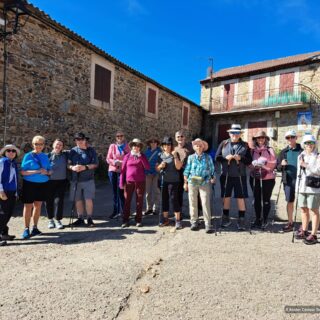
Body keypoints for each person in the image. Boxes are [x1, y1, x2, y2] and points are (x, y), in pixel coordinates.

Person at [215, 124, 252, 230]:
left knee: (240, 197)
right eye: (232, 132)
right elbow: (217, 157)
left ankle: (241, 219)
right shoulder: (224, 143)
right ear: (229, 133)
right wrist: (226, 158)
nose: (234, 134)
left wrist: (240, 158)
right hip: (226, 175)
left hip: (240, 175)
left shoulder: (245, 145)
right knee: (226, 196)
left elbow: (249, 160)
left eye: (237, 133)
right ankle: (226, 217)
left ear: (240, 134)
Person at [21, 136, 52, 239]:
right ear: (33, 144)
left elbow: (50, 170)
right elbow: (23, 172)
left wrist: (47, 172)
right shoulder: (28, 156)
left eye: (41, 144)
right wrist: (38, 171)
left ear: (44, 145)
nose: (38, 146)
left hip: (43, 184)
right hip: (29, 184)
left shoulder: (45, 156)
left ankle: (35, 228)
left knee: (38, 205)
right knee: (28, 206)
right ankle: (26, 229)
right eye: (36, 144)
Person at [183, 138, 215, 233]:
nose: (199, 147)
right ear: (194, 147)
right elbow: (187, 170)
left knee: (205, 202)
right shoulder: (191, 157)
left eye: (201, 145)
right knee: (193, 202)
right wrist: (185, 183)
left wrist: (213, 177)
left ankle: (208, 223)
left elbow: (212, 168)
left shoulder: (208, 157)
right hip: (192, 181)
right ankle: (194, 221)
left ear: (203, 147)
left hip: (204, 181)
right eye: (197, 145)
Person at [68, 132, 98, 227]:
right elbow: (68, 164)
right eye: (77, 140)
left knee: (88, 199)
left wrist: (84, 167)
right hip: (75, 179)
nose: (79, 141)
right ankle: (80, 218)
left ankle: (89, 218)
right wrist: (72, 167)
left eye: (81, 139)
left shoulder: (91, 151)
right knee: (78, 200)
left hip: (88, 179)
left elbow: (95, 164)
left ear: (85, 140)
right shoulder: (72, 151)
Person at [294, 134, 320, 245]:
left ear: (314, 144)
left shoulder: (318, 156)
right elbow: (298, 173)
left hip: (313, 188)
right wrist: (297, 188)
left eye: (311, 143)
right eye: (306, 143)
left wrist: (307, 165)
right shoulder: (300, 156)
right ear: (304, 145)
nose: (309, 145)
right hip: (301, 187)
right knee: (303, 209)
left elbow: (318, 171)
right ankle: (304, 230)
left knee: (314, 211)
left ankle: (313, 234)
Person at [119, 139, 150, 228]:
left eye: (138, 145)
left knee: (139, 201)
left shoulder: (142, 156)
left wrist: (140, 157)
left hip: (140, 182)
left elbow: (147, 167)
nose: (136, 147)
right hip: (129, 182)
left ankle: (138, 220)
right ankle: (125, 220)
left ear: (140, 147)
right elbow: (123, 170)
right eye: (134, 145)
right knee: (127, 201)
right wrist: (121, 182)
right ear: (131, 146)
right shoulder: (127, 156)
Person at [249, 131, 277, 229]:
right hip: (255, 178)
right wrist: (253, 167)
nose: (260, 139)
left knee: (266, 200)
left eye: (262, 137)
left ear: (265, 139)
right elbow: (249, 164)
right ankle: (257, 219)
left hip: (268, 179)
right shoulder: (252, 151)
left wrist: (263, 166)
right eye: (258, 138)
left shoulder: (270, 150)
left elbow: (273, 163)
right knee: (256, 199)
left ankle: (265, 219)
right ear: (255, 140)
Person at [277, 130, 302, 232]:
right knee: (290, 201)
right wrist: (281, 164)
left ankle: (303, 225)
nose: (290, 139)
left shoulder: (302, 151)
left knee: (302, 203)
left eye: (292, 137)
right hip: (288, 180)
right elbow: (277, 168)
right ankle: (290, 222)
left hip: (301, 180)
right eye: (288, 137)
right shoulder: (283, 152)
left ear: (296, 138)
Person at [156, 136, 183, 229]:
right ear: (162, 146)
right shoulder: (160, 155)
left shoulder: (175, 154)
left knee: (174, 199)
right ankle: (165, 219)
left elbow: (179, 167)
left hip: (174, 181)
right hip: (163, 180)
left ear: (171, 145)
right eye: (165, 144)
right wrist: (160, 166)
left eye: (169, 144)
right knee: (164, 200)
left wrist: (175, 155)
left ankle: (178, 220)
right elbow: (157, 168)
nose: (167, 146)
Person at [106, 130, 130, 219]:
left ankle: (124, 211)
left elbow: (129, 158)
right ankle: (115, 211)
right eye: (118, 136)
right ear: (116, 138)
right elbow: (108, 158)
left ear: (124, 137)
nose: (119, 137)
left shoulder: (127, 147)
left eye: (121, 136)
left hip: (123, 172)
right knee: (114, 192)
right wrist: (115, 162)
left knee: (121, 191)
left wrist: (122, 162)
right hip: (113, 171)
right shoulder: (112, 146)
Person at [45, 139, 68, 229]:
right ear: (53, 145)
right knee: (48, 201)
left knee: (59, 201)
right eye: (57, 144)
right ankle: (50, 219)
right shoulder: (48, 156)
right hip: (49, 181)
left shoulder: (65, 155)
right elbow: (43, 168)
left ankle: (58, 220)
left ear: (62, 147)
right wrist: (47, 172)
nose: (58, 146)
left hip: (61, 181)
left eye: (60, 145)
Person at [0, 144, 20, 246]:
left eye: (13, 151)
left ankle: (4, 233)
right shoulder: (2, 162)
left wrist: (16, 192)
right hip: (4, 192)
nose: (11, 152)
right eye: (8, 151)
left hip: (12, 192)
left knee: (8, 213)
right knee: (2, 214)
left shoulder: (13, 163)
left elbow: (15, 179)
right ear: (5, 152)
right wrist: (1, 191)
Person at [174, 130, 194, 215]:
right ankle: (180, 211)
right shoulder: (174, 149)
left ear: (184, 137)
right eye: (178, 137)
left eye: (181, 136)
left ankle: (195, 212)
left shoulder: (190, 147)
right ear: (176, 138)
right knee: (178, 193)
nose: (180, 138)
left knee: (193, 193)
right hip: (178, 172)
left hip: (190, 172)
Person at [144, 138, 161, 215]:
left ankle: (156, 208)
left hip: (156, 174)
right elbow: (144, 162)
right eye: (151, 142)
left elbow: (162, 161)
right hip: (148, 174)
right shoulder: (146, 152)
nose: (153, 143)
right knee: (148, 192)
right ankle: (149, 208)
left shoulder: (160, 151)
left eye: (155, 142)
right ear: (149, 143)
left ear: (157, 143)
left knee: (156, 191)